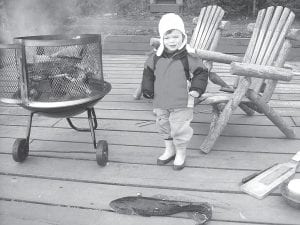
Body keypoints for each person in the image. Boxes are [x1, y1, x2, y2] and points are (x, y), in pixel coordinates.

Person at [141, 13, 209, 170]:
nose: (171, 41)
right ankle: (169, 150)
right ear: (162, 38)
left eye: (175, 36)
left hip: (182, 101)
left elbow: (201, 72)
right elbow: (148, 74)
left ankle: (180, 153)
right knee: (163, 125)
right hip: (161, 101)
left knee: (179, 128)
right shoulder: (155, 57)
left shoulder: (188, 57)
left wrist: (197, 89)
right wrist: (147, 89)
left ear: (183, 36)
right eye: (167, 37)